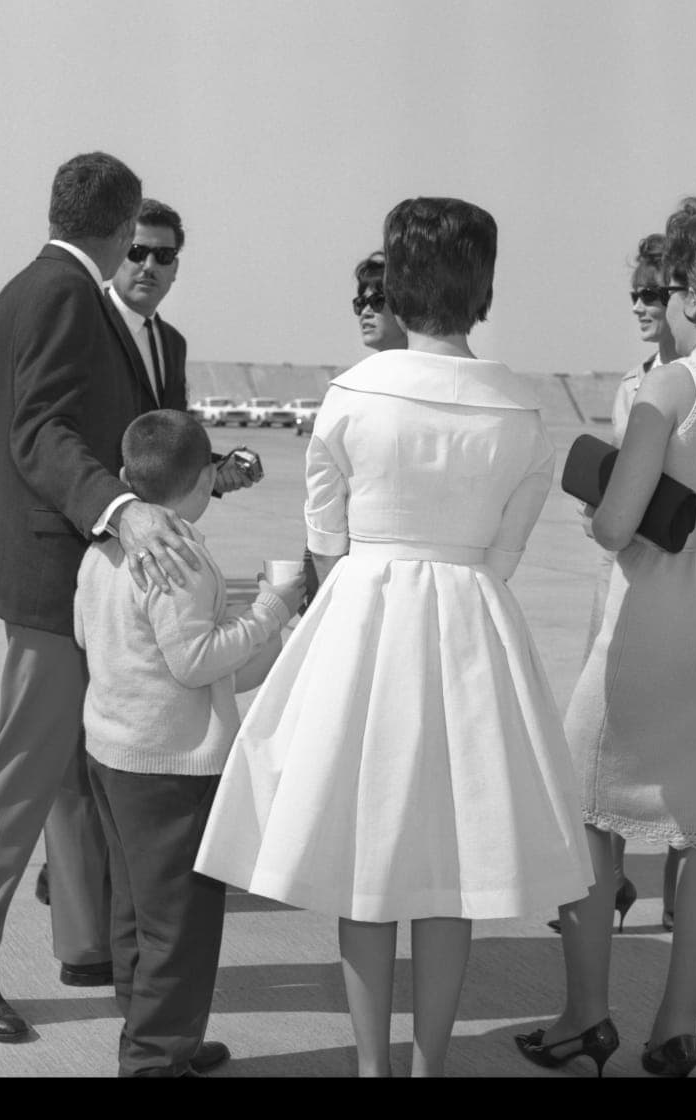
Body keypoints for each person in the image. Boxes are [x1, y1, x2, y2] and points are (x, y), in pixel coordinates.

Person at [196, 197, 594, 1077]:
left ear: (400, 286)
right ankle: (430, 1066)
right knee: (455, 864)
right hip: (472, 627)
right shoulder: (523, 412)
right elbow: (502, 552)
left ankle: (372, 1066)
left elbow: (326, 547)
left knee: (367, 862)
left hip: (364, 624)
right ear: (483, 288)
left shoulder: (348, 397)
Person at [0, 151, 213, 1049]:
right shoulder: (62, 294)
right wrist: (120, 510)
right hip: (57, 581)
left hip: (59, 572)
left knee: (68, 779)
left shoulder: (32, 288)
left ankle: (86, 948)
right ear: (122, 223)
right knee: (24, 777)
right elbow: (38, 431)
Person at [516, 189, 696, 1078]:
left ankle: (586, 1013)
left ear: (690, 284)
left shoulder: (673, 384)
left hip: (661, 605)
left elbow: (617, 523)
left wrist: (600, 500)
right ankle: (676, 1028)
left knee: (586, 810)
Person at [33, 196, 255, 908]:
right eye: (138, 251)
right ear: (117, 251)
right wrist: (109, 519)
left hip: (152, 564)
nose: (150, 266)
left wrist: (216, 472)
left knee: (124, 738)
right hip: (89, 551)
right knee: (73, 747)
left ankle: (108, 889)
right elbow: (39, 436)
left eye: (165, 255)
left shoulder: (173, 343)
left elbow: (165, 448)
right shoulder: (81, 325)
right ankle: (73, 887)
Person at [75, 409, 303, 1077]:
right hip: (170, 769)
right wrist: (273, 607)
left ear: (125, 480)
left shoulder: (105, 547)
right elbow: (197, 662)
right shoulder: (180, 558)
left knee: (136, 911)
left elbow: (92, 638)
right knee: (181, 925)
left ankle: (155, 1025)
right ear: (206, 477)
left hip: (112, 752)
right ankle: (155, 1057)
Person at [546, 235, 682, 937]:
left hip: (676, 578)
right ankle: (612, 880)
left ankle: (683, 899)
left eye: (653, 293)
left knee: (684, 742)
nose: (640, 305)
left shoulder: (692, 382)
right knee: (599, 741)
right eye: (634, 292)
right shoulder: (633, 383)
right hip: (618, 577)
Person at [301, 250, 409, 606]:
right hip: (344, 567)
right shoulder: (350, 392)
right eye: (359, 302)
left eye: (378, 300)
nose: (365, 310)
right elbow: (325, 511)